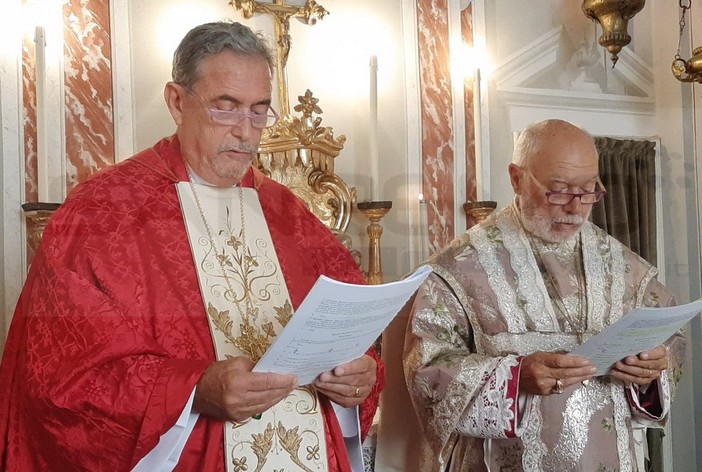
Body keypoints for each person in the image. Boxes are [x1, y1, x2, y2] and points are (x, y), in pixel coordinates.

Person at [0, 21, 383, 472]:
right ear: (177, 102)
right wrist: (193, 388)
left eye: (260, 111)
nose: (247, 132)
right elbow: (60, 377)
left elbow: (353, 333)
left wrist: (359, 377)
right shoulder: (101, 212)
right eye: (227, 107)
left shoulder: (289, 214)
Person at [402, 119, 686, 471]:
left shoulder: (624, 266)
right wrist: (515, 377)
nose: (576, 207)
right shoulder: (458, 268)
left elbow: (670, 343)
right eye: (560, 190)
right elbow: (425, 371)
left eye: (589, 190)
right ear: (517, 178)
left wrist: (652, 369)